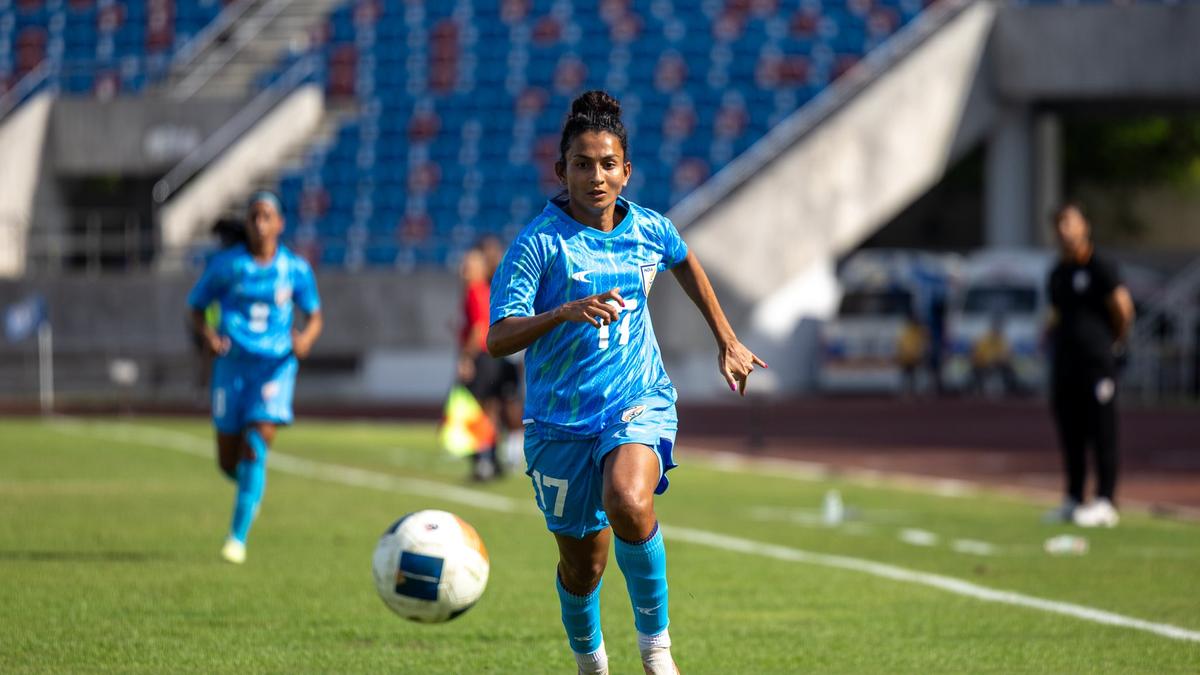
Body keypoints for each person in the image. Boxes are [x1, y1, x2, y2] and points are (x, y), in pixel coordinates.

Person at [487, 91, 765, 675]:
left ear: (626, 171)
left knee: (629, 500)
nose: (596, 177)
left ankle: (656, 652)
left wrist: (727, 339)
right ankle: (591, 663)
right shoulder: (537, 244)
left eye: (608, 164)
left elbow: (684, 259)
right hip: (559, 423)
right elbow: (499, 337)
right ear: (561, 171)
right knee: (582, 565)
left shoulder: (650, 228)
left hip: (637, 399)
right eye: (582, 164)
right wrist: (561, 313)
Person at [187, 191, 323, 563]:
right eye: (254, 217)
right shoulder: (227, 266)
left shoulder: (295, 269)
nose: (260, 223)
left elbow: (314, 315)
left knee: (256, 441)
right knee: (228, 462)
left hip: (275, 367)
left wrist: (306, 340)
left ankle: (236, 538)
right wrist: (208, 336)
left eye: (267, 216)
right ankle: (252, 488)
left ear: (280, 223)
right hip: (232, 367)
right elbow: (196, 306)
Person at [1044, 202, 1134, 528]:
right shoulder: (1057, 273)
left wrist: (1114, 342)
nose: (1064, 230)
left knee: (1102, 431)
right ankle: (1073, 497)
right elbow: (1055, 315)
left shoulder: (1100, 266)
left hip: (1097, 364)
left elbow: (1123, 307)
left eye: (1069, 222)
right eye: (1059, 224)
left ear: (1085, 226)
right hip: (1066, 364)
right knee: (1071, 432)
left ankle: (1105, 500)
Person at [456, 246, 518, 480]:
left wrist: (466, 358)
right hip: (492, 356)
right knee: (490, 410)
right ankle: (492, 459)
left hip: (482, 357)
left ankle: (484, 460)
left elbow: (478, 328)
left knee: (478, 411)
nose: (463, 270)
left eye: (468, 265)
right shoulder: (486, 290)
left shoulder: (474, 290)